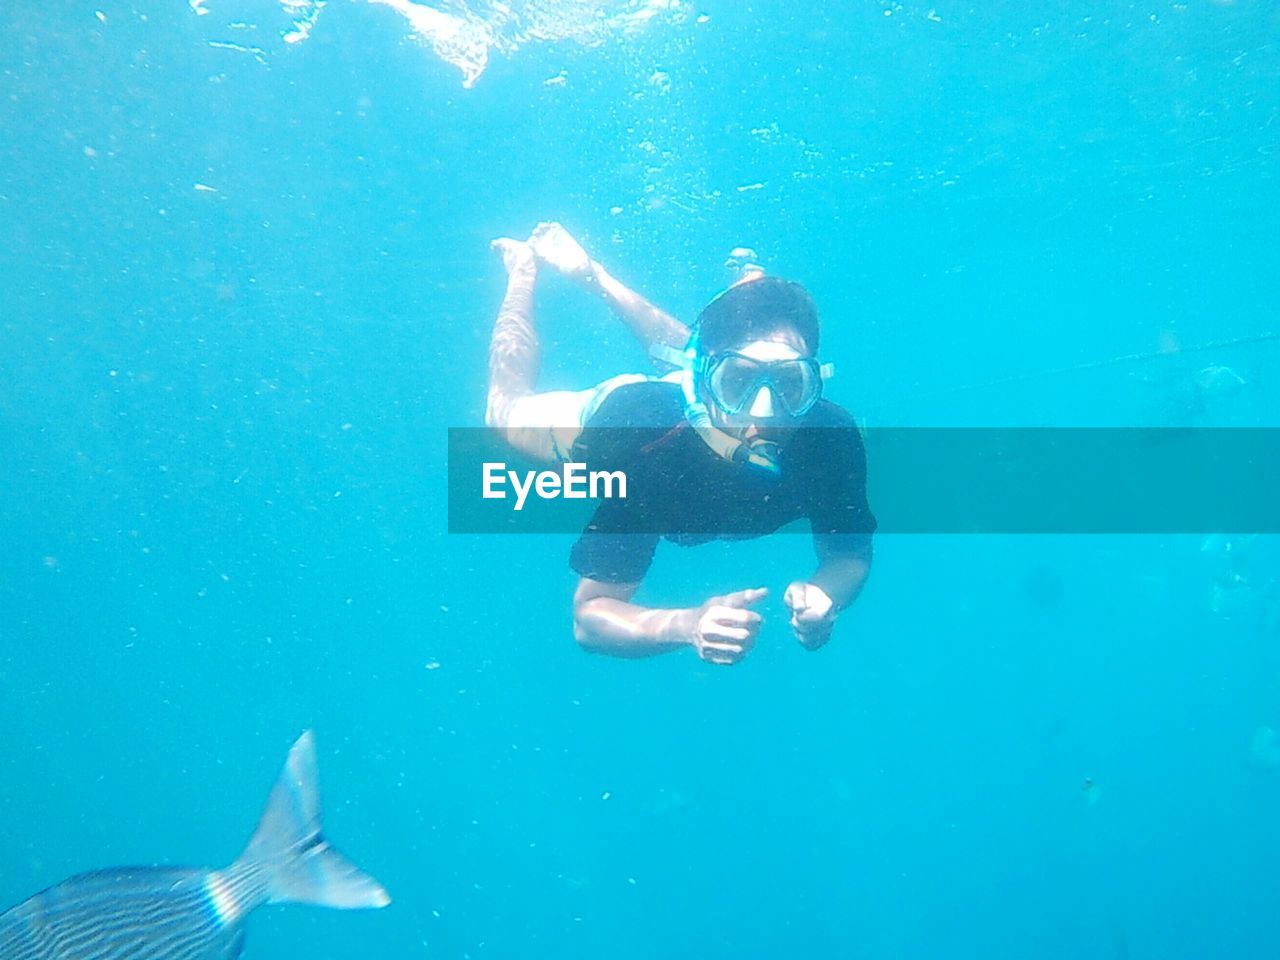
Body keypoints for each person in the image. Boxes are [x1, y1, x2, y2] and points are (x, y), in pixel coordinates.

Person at [486, 223, 875, 665]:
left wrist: (827, 595)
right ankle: (523, 270)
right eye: (739, 383)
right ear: (704, 387)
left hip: (699, 394)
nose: (764, 412)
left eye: (790, 383)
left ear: (814, 382)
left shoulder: (831, 440)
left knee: (729, 353)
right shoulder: (644, 450)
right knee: (504, 415)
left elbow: (849, 554)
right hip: (630, 414)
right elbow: (589, 617)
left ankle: (595, 274)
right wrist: (687, 625)